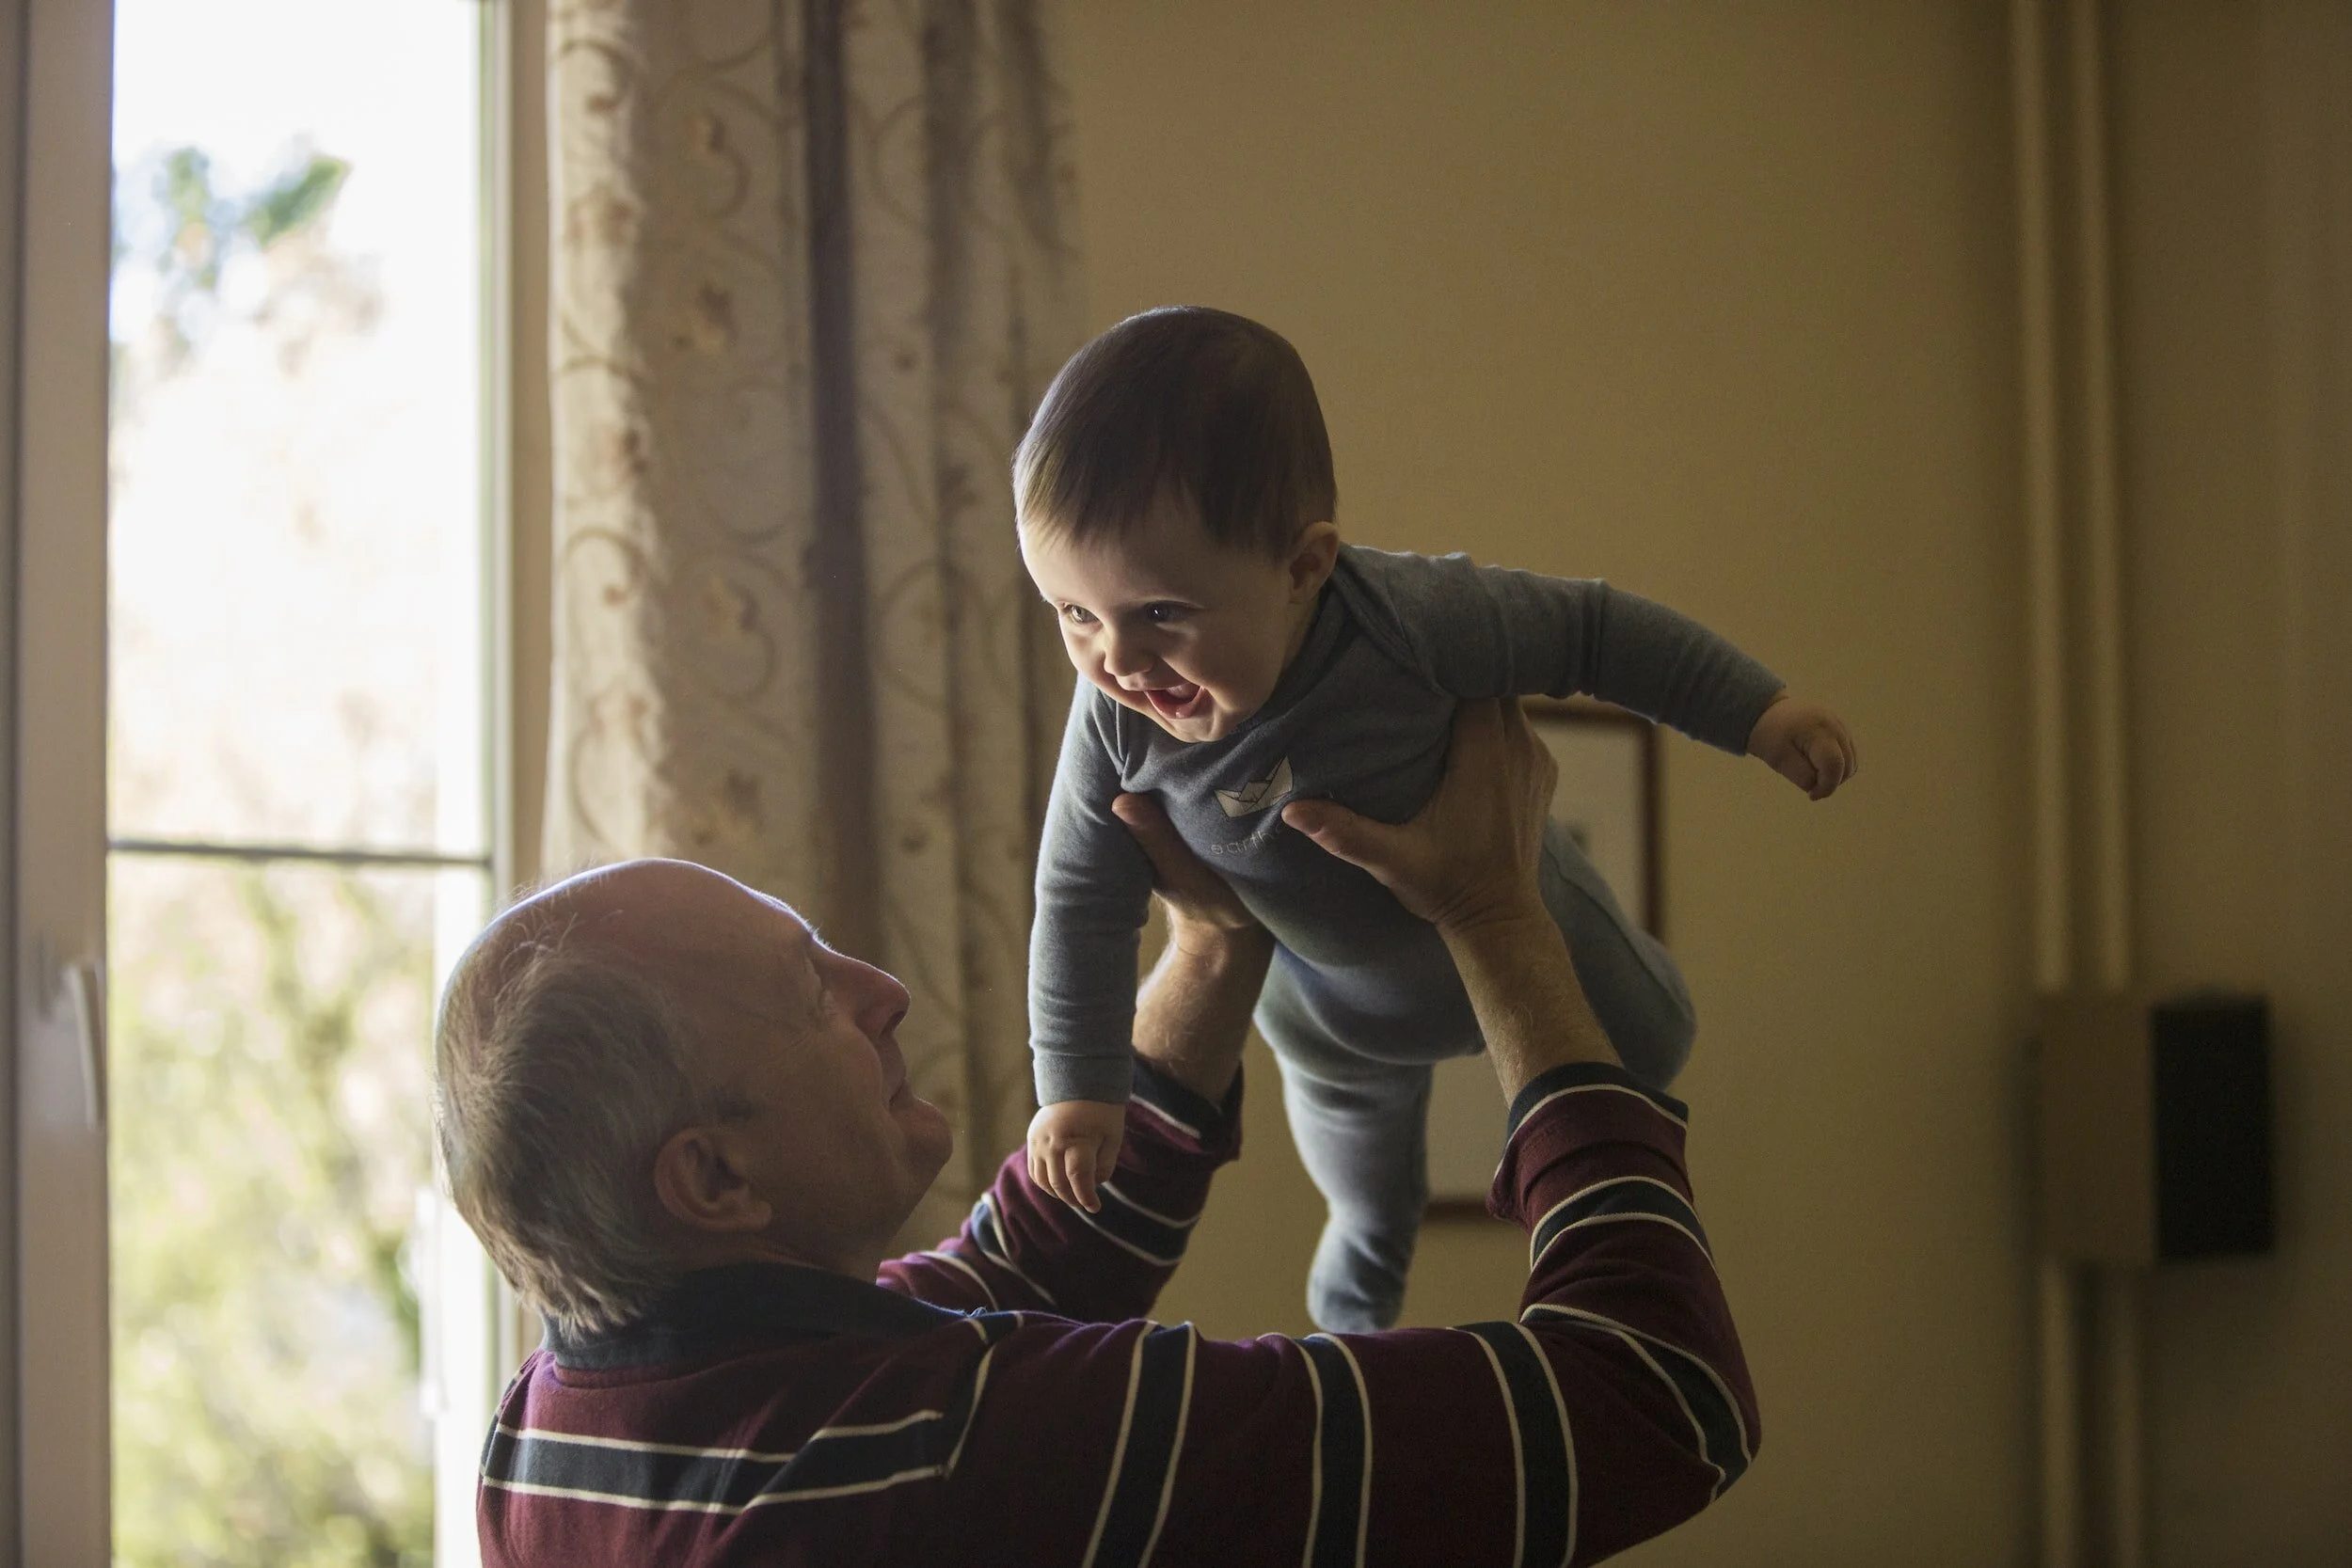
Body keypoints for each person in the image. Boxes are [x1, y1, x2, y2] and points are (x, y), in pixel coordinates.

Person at [435, 699, 1759, 1567]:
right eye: (811, 993)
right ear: (715, 1176)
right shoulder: (971, 1452)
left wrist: (1215, 940)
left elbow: (1018, 1266)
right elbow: (1654, 1394)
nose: (881, 991)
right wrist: (1497, 913)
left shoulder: (551, 1432)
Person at [1019, 305, 1858, 1330]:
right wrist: (1077, 1086)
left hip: (1527, 917)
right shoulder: (1112, 720)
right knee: (1369, 1198)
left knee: (1655, 1042)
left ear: (1302, 567)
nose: (1117, 659)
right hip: (1332, 1017)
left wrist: (1759, 712)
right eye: (1072, 613)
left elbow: (1594, 632)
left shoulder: (1409, 619)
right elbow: (1078, 898)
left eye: (1160, 612)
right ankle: (1354, 1321)